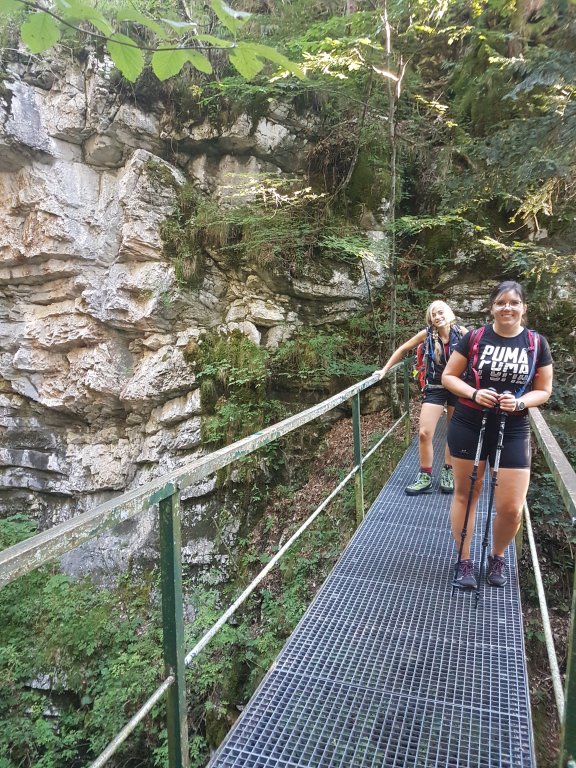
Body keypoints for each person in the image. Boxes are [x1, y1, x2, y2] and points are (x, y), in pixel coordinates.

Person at [442, 280, 553, 589]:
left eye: (514, 302)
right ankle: (464, 560)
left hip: (513, 427)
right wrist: (474, 393)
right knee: (467, 494)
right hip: (469, 423)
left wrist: (520, 402)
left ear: (524, 308)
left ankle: (497, 555)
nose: (507, 307)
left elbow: (544, 390)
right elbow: (449, 376)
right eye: (501, 302)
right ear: (492, 307)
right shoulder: (475, 338)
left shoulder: (536, 343)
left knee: (511, 507)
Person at [377, 300, 467, 495]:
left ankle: (448, 471)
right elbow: (403, 349)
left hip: (457, 387)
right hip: (435, 387)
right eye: (433, 314)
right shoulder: (427, 334)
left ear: (449, 313)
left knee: (453, 432)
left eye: (440, 312)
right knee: (424, 433)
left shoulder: (462, 333)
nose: (437, 317)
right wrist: (385, 370)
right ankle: (425, 476)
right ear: (430, 319)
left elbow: (478, 353)